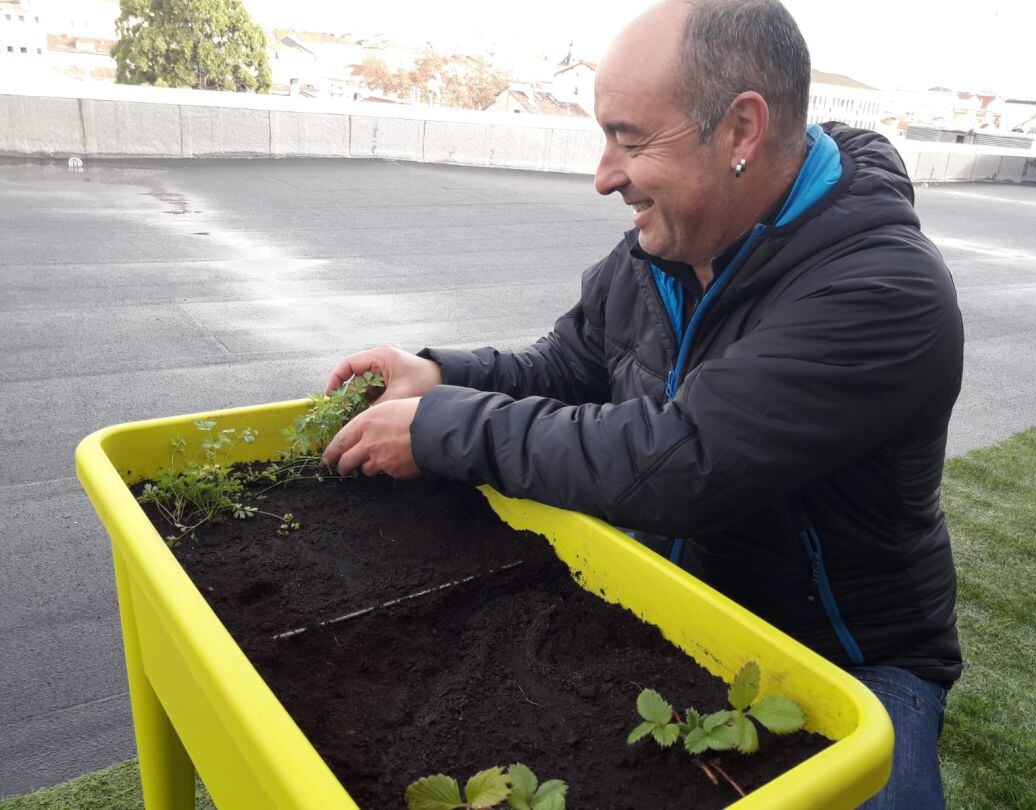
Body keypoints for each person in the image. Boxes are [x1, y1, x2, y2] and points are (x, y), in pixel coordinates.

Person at [321, 1, 963, 806]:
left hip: (850, 661)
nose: (604, 176)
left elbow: (684, 461)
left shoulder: (884, 290)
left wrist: (441, 429)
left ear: (740, 130)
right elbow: (570, 364)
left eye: (630, 140)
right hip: (674, 610)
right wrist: (440, 375)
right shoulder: (670, 244)